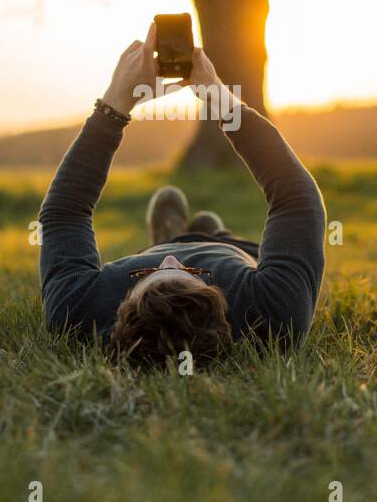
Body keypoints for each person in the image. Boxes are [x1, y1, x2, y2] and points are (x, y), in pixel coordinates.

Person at [38, 23, 326, 367]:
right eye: (188, 276)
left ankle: (173, 236)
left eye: (152, 275)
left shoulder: (77, 315)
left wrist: (114, 105)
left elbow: (65, 213)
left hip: (153, 254)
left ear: (121, 308)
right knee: (219, 238)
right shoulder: (273, 317)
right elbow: (297, 200)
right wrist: (220, 100)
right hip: (236, 254)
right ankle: (209, 234)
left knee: (170, 244)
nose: (172, 263)